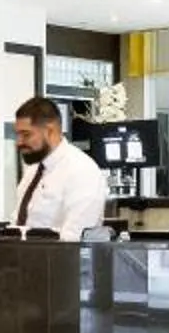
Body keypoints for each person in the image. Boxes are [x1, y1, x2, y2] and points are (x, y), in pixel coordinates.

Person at [8, 96, 109, 239]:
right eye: (17, 134)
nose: (19, 142)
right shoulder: (33, 170)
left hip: (60, 260)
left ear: (50, 131)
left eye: (26, 134)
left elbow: (74, 238)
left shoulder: (82, 171)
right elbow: (17, 224)